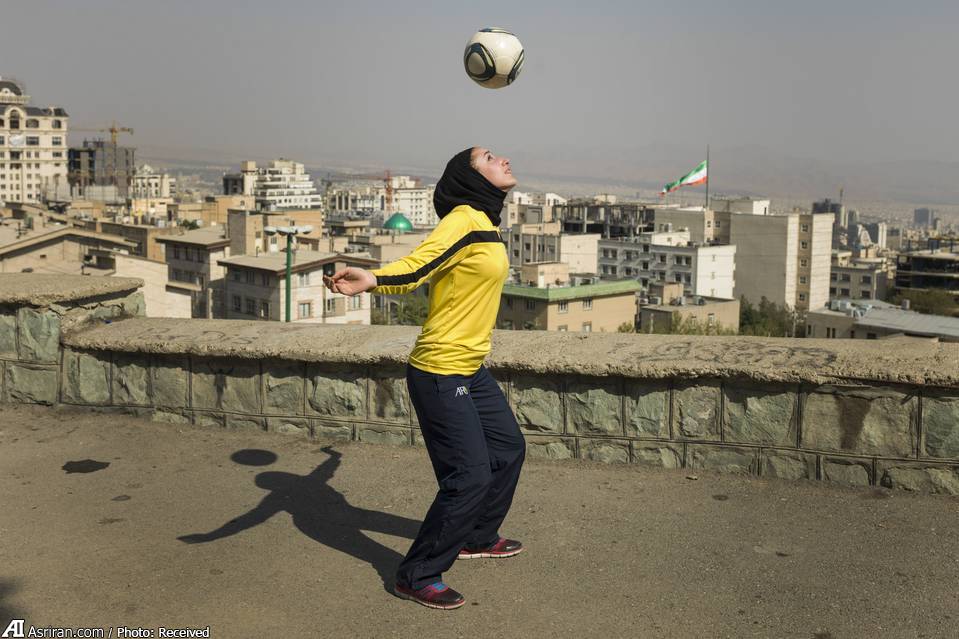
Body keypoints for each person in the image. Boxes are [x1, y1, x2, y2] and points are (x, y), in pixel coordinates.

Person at [323, 147, 526, 610]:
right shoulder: (464, 218)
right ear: (469, 176)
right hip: (439, 369)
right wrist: (372, 279)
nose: (504, 159)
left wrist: (327, 461)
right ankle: (417, 574)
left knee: (508, 449)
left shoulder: (487, 223)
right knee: (469, 475)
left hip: (471, 367)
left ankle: (476, 536)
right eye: (490, 157)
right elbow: (418, 266)